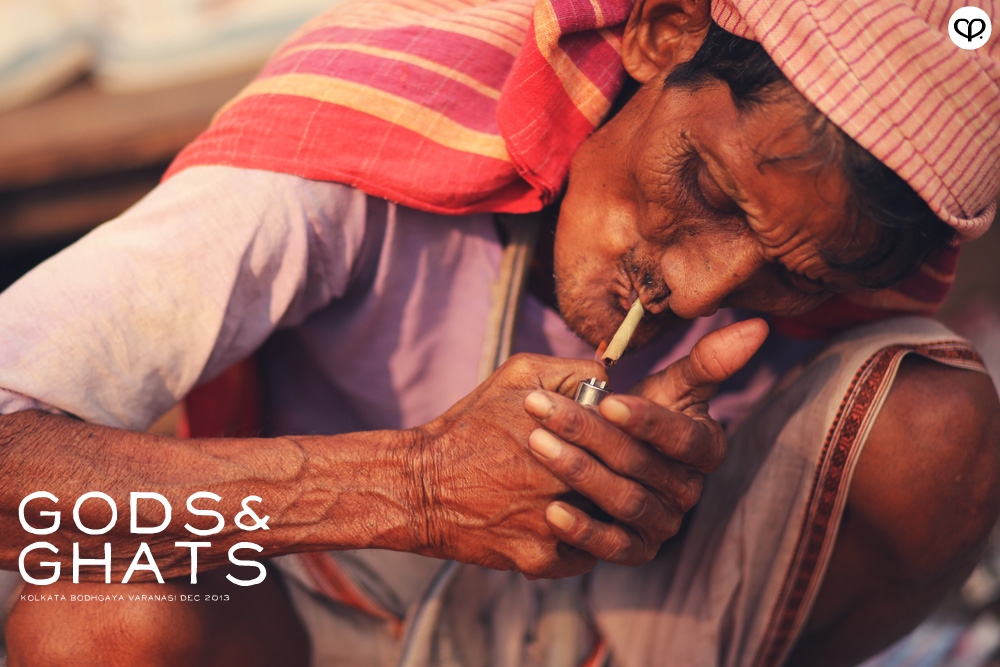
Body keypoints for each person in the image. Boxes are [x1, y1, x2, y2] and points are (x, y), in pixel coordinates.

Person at [1, 0, 999, 665]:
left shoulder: (822, 281)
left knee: (938, 424)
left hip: (619, 628)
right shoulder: (349, 141)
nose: (699, 294)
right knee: (99, 616)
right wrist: (415, 487)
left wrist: (672, 499)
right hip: (310, 609)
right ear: (662, 28)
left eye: (792, 274)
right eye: (703, 186)